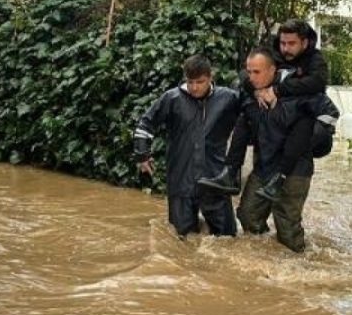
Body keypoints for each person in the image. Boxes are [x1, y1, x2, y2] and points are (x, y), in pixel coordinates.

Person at [198, 19, 329, 200]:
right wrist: (257, 91)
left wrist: (277, 90)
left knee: (303, 120)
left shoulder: (315, 59)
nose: (285, 48)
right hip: (272, 121)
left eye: (291, 44)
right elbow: (247, 73)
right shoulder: (275, 52)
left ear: (304, 42)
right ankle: (230, 172)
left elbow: (318, 82)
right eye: (283, 43)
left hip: (304, 124)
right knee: (247, 109)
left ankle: (280, 177)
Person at [234, 48, 339, 253]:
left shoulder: (297, 89)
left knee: (287, 227)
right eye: (250, 72)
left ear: (273, 70)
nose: (252, 77)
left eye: (257, 72)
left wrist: (302, 143)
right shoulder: (250, 90)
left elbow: (331, 113)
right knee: (247, 215)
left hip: (296, 170)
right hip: (264, 167)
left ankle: (297, 268)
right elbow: (239, 81)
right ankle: (262, 259)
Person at [133, 54, 239, 238]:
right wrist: (142, 155)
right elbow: (145, 124)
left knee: (227, 239)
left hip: (215, 180)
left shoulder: (228, 98)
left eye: (200, 82)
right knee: (181, 239)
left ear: (210, 77)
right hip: (181, 181)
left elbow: (252, 111)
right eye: (190, 82)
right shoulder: (172, 98)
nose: (194, 87)